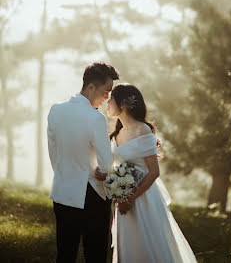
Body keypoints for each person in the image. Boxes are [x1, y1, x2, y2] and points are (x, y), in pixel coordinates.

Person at [96, 83, 198, 263]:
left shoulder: (143, 130)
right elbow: (121, 166)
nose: (107, 102)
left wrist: (130, 198)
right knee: (128, 244)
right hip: (123, 198)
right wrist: (108, 176)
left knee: (146, 242)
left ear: (124, 104)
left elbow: (153, 172)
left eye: (111, 99)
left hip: (143, 198)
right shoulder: (117, 133)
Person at [47, 62, 119, 263]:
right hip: (93, 195)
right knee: (95, 255)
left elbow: (54, 154)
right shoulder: (95, 118)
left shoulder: (55, 110)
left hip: (62, 191)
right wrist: (103, 173)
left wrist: (64, 175)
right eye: (106, 91)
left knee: (65, 253)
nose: (107, 98)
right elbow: (106, 163)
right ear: (90, 87)